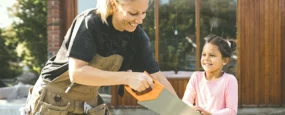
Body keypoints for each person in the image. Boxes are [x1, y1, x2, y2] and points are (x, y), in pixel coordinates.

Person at [21, 0, 177, 115]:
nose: (140, 20)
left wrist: (181, 110)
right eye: (133, 13)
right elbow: (77, 73)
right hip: (52, 100)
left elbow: (157, 77)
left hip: (88, 102)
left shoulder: (138, 37)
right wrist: (127, 77)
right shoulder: (89, 22)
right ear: (114, 4)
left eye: (144, 13)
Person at [182, 35, 238, 115]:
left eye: (212, 55)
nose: (206, 59)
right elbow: (186, 101)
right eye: (204, 54)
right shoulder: (196, 77)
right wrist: (194, 110)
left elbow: (231, 111)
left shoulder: (229, 80)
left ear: (225, 60)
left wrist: (210, 114)